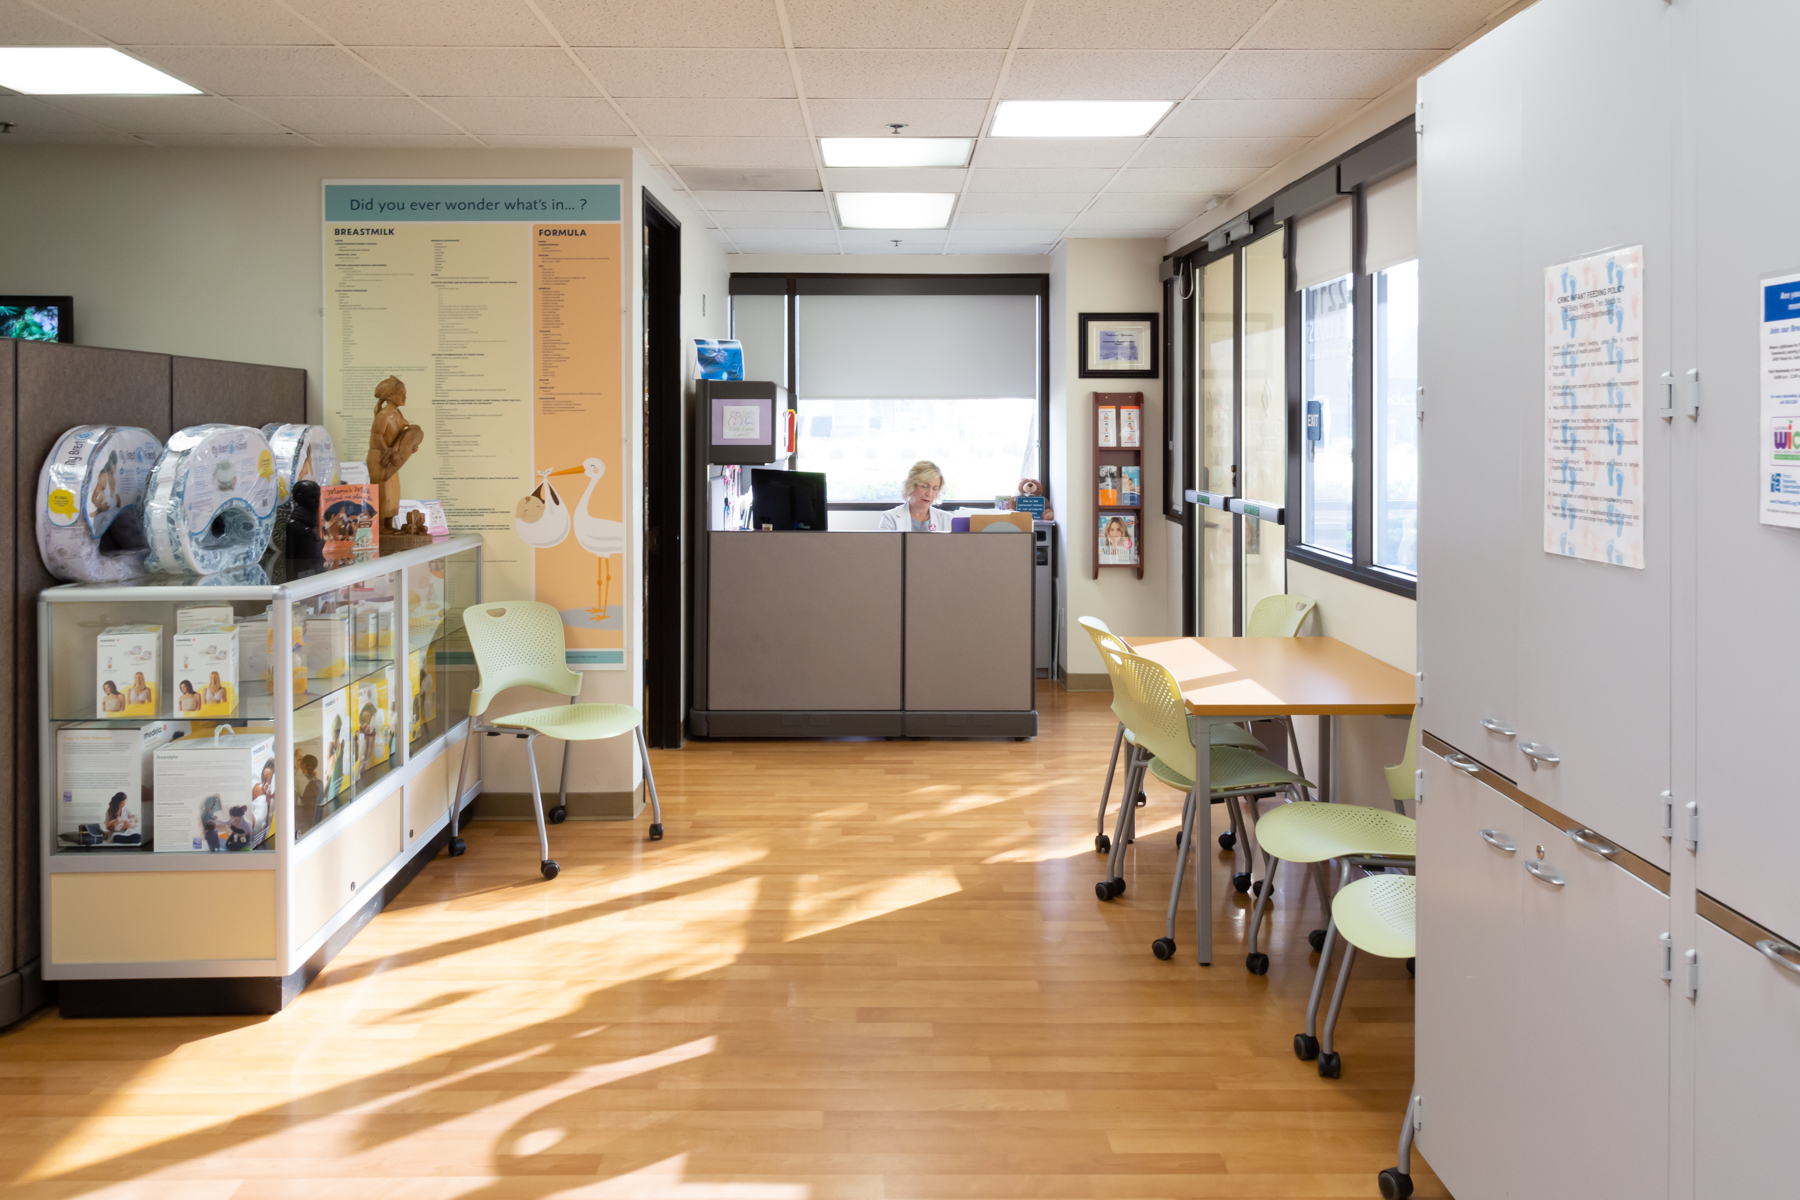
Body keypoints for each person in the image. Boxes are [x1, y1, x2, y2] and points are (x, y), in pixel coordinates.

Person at [877, 460, 954, 532]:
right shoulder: (890, 517)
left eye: (935, 488)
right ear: (911, 486)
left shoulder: (948, 519)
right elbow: (883, 546)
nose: (929, 494)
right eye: (924, 486)